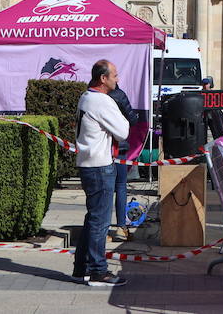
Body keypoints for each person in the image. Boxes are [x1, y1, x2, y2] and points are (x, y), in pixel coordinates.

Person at [73, 59, 130, 287]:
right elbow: (123, 131)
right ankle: (98, 271)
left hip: (88, 164)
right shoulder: (101, 101)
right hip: (100, 166)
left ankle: (81, 268)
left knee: (92, 218)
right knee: (100, 221)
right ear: (103, 78)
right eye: (114, 75)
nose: (118, 79)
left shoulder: (86, 97)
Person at [105, 80, 142, 242]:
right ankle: (121, 227)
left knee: (104, 189)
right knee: (120, 186)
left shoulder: (95, 96)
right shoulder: (119, 95)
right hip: (119, 147)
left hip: (102, 148)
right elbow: (133, 119)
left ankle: (103, 230)